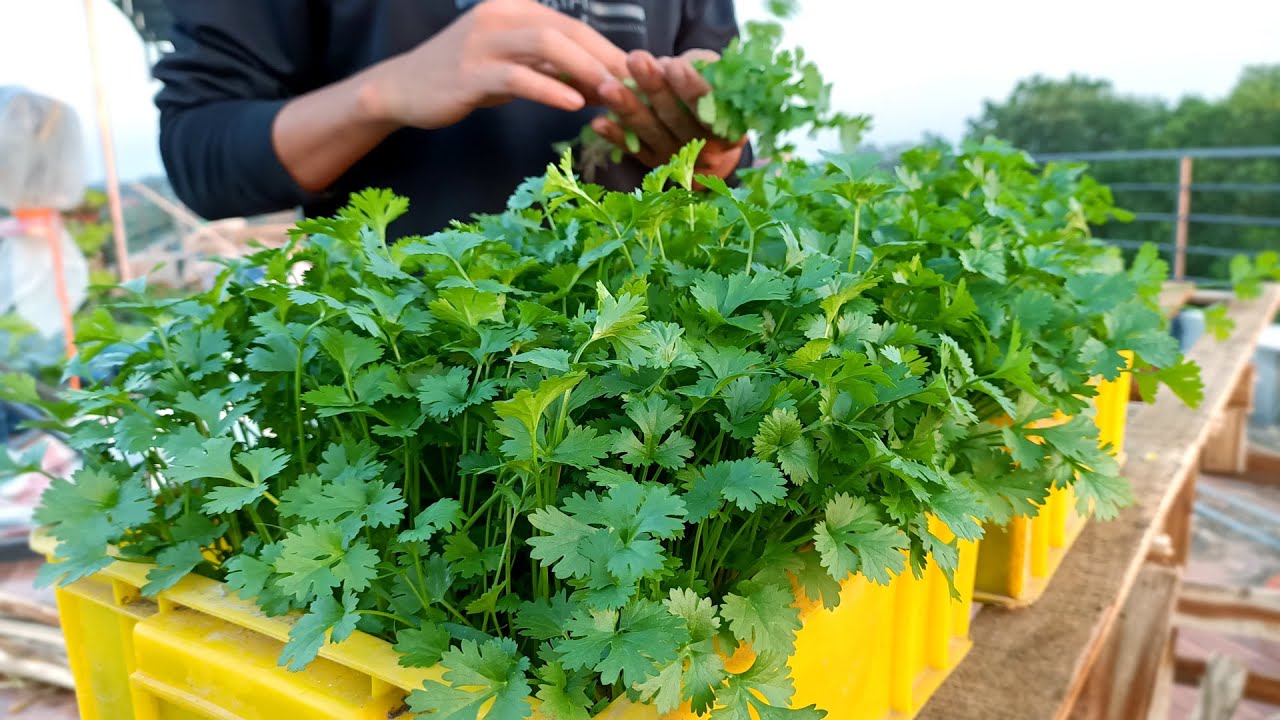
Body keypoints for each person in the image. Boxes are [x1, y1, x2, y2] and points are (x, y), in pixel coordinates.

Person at [153, 0, 749, 236]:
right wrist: (383, 93)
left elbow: (729, 166)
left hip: (653, 369)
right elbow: (199, 154)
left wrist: (712, 154)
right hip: (404, 378)